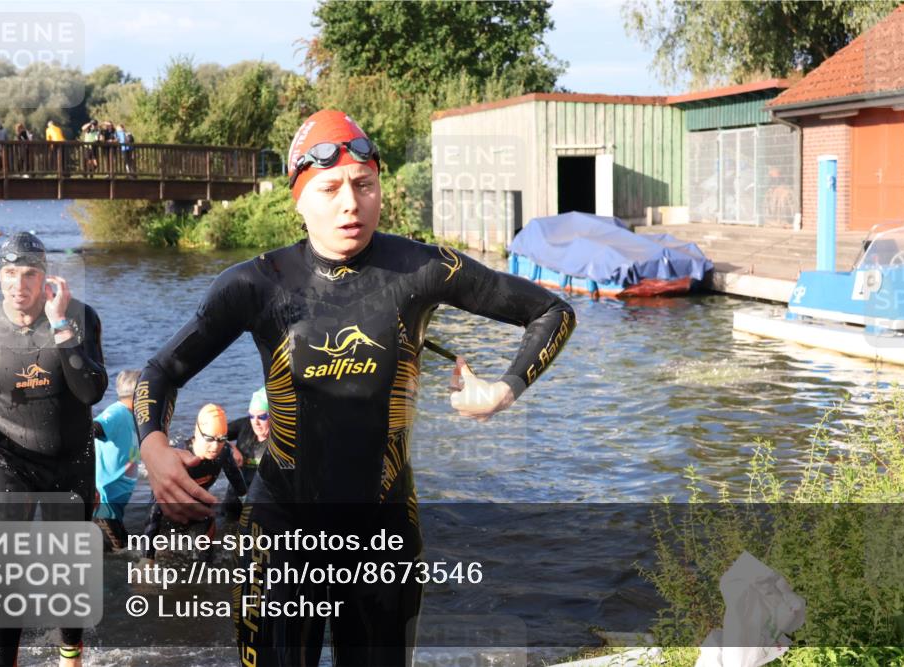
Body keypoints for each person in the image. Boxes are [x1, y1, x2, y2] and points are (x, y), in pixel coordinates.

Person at [134, 109, 575, 666]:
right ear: (298, 198)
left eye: (364, 185)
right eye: (330, 188)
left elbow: (553, 312)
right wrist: (153, 448)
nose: (351, 203)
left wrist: (503, 390)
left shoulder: (421, 269)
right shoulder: (256, 284)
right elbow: (161, 372)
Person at [0, 231, 107, 667]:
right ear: (0, 277)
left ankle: (70, 656)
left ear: (46, 278)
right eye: (11, 273)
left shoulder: (80, 318)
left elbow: (92, 391)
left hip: (72, 460)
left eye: (30, 274)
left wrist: (59, 328)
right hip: (9, 460)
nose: (20, 283)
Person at [138, 403, 246, 564]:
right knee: (165, 563)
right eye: (209, 438)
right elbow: (155, 509)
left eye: (222, 439)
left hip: (199, 512)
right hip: (169, 514)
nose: (215, 446)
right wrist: (147, 558)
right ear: (197, 432)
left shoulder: (224, 453)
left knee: (208, 563)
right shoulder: (177, 459)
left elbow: (239, 486)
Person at [92, 369, 142, 551]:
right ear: (138, 394)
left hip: (116, 503)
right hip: (104, 500)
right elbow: (94, 428)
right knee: (118, 554)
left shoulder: (134, 417)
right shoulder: (117, 412)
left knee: (130, 548)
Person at [220, 387, 270, 519]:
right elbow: (216, 434)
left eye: (262, 416)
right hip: (234, 504)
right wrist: (230, 448)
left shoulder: (284, 438)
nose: (256, 422)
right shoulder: (244, 425)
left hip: (264, 509)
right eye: (252, 416)